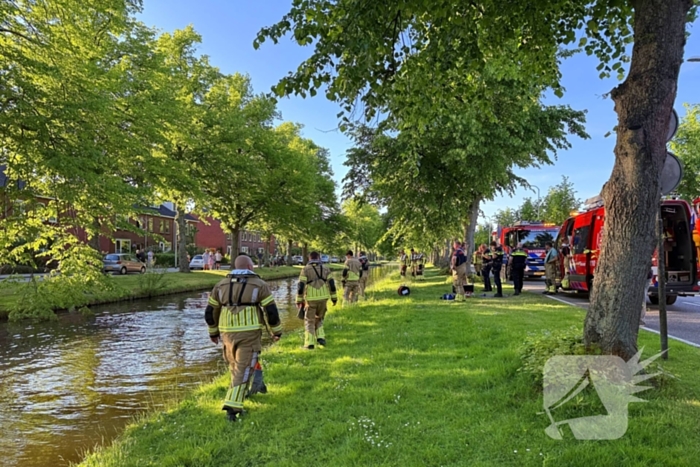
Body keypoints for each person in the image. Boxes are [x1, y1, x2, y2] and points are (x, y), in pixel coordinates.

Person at [204, 255, 283, 421]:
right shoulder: (259, 284)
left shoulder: (220, 285)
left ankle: (244, 393)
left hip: (227, 332)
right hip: (249, 332)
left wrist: (213, 332)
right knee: (244, 367)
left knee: (235, 366)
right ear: (249, 267)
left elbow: (210, 312)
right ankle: (232, 407)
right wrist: (276, 331)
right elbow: (271, 311)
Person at [296, 251, 338, 349]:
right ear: (319, 258)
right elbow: (332, 285)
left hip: (311, 298)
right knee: (320, 318)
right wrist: (334, 298)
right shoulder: (326, 269)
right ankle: (321, 338)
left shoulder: (305, 270)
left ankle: (309, 343)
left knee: (309, 320)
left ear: (309, 258)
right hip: (323, 297)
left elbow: (301, 286)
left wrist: (299, 300)